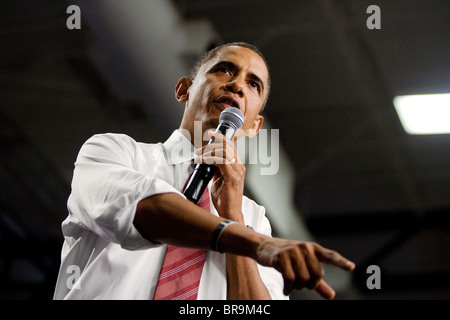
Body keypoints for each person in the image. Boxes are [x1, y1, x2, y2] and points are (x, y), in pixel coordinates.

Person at [53, 42, 355, 300]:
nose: (237, 85)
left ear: (253, 127)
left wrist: (233, 211)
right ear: (184, 89)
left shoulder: (254, 219)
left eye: (253, 84)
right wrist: (253, 243)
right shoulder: (114, 152)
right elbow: (144, 213)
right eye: (224, 70)